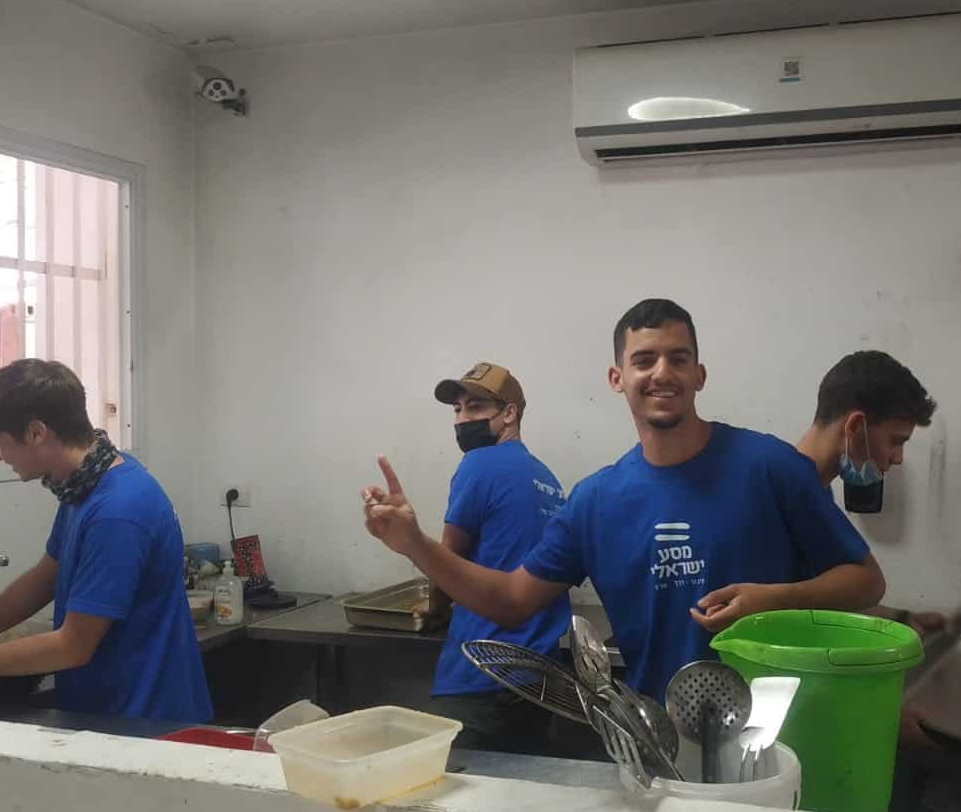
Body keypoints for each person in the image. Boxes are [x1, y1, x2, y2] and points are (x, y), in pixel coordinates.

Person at [362, 299, 886, 701]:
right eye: (644, 360)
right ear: (618, 379)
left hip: (777, 731)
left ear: (699, 375)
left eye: (678, 358)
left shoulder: (770, 466)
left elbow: (865, 581)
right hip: (658, 739)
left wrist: (773, 599)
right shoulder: (595, 502)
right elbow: (512, 600)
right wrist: (415, 544)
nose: (662, 373)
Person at [0, 359, 212, 722]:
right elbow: (43, 580)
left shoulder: (118, 511)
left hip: (147, 721)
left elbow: (72, 647)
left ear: (36, 432)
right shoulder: (84, 487)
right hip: (103, 710)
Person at [417, 362, 571, 754]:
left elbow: (446, 562)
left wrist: (435, 610)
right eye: (457, 409)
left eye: (476, 407)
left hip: (481, 672)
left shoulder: (478, 464)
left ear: (509, 413)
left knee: (447, 787)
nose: (461, 420)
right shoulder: (548, 479)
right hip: (539, 679)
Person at [795, 350, 947, 634]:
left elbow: (817, 600)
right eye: (895, 441)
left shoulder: (816, 492)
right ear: (855, 427)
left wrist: (900, 618)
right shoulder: (785, 491)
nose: (898, 458)